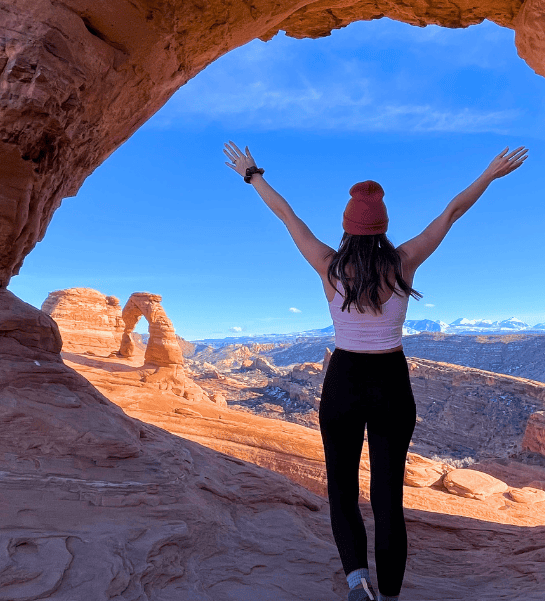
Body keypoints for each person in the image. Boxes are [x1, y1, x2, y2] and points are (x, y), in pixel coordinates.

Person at [224, 141, 528, 601]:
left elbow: (288, 217)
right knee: (389, 498)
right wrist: (489, 173)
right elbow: (451, 213)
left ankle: (356, 583)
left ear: (347, 227)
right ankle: (388, 597)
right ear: (383, 227)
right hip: (390, 381)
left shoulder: (329, 266)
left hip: (343, 379)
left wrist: (253, 175)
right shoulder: (403, 263)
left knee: (342, 490)